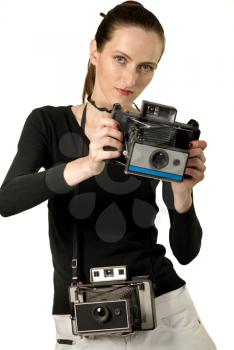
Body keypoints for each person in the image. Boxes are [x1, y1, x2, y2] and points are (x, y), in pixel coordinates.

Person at [0, 1, 216, 349]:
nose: (131, 79)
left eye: (146, 66)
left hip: (165, 310)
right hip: (84, 315)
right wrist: (84, 165)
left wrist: (184, 193)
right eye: (121, 59)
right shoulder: (49, 123)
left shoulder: (156, 134)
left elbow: (186, 252)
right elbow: (6, 201)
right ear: (94, 52)